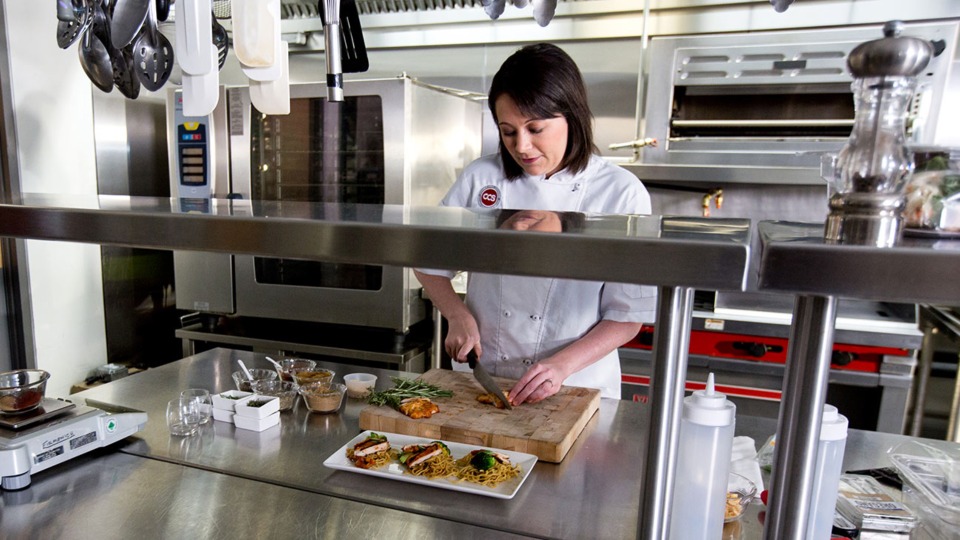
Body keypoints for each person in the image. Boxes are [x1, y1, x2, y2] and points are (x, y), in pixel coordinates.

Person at [414, 43, 656, 405]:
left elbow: (627, 315)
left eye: (535, 128)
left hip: (577, 384)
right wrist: (457, 314)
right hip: (484, 379)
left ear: (572, 116)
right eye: (508, 131)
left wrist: (561, 365)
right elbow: (429, 260)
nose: (522, 146)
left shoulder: (621, 193)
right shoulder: (483, 178)